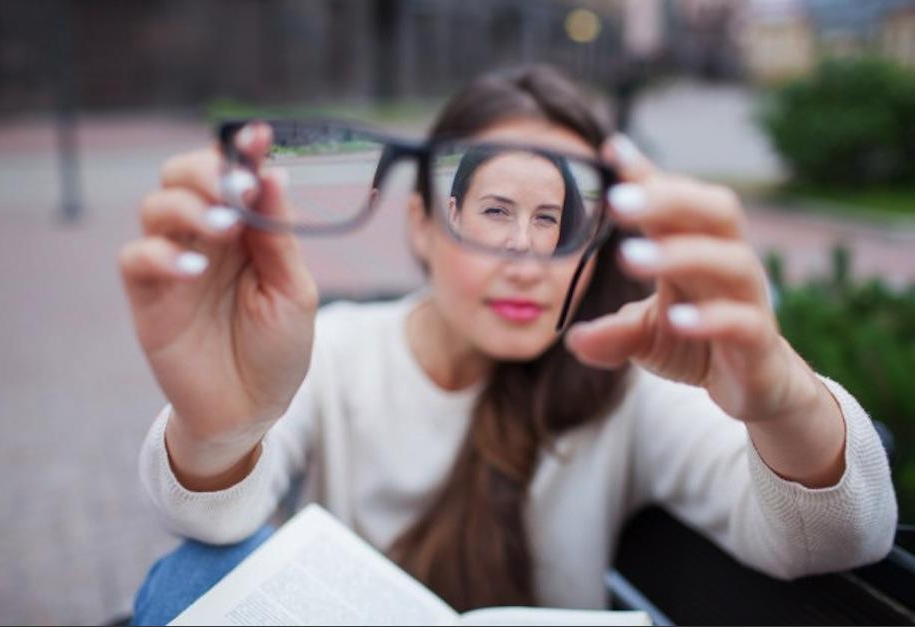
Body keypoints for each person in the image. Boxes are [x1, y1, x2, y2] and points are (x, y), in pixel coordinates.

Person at [121, 65, 897, 625]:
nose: (526, 255)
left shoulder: (623, 371)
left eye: (557, 217)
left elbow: (836, 537)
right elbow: (211, 522)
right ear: (422, 224)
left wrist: (782, 395)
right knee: (194, 576)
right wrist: (222, 428)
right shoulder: (337, 352)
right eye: (493, 209)